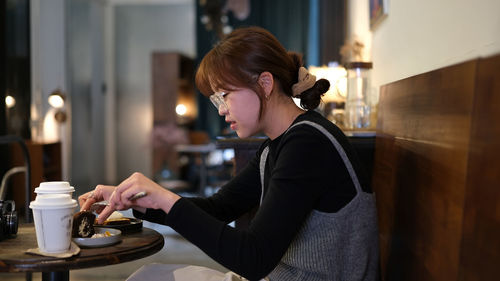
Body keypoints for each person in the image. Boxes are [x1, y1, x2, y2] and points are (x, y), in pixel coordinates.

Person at [79, 26, 379, 281]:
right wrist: (137, 199)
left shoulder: (308, 144)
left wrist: (168, 201)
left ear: (264, 83)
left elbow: (253, 258)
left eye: (224, 96)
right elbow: (218, 207)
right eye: (215, 101)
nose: (222, 110)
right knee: (149, 275)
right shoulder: (277, 146)